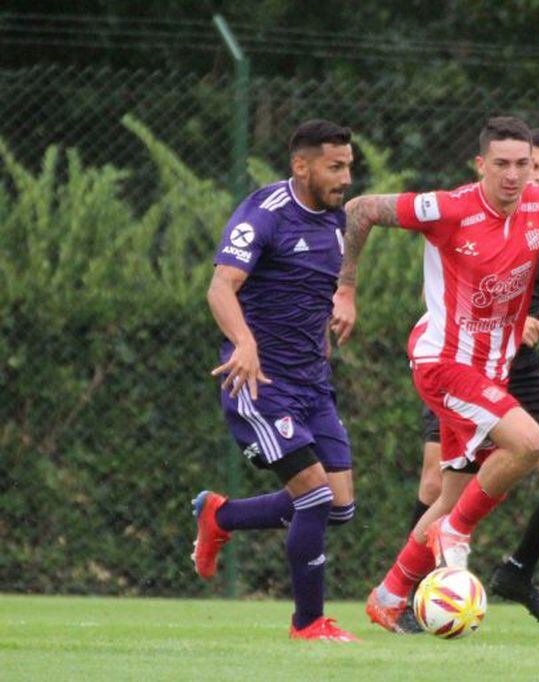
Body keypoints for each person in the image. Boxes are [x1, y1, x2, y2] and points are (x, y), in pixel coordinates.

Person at [330, 117, 539, 634]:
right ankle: (455, 535)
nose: (513, 175)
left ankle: (389, 594)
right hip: (444, 363)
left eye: (522, 165)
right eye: (501, 164)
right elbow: (359, 209)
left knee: (450, 494)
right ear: (480, 165)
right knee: (528, 442)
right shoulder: (450, 207)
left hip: (494, 372)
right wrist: (345, 290)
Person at [191, 119, 360, 643]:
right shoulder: (264, 213)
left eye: (350, 166)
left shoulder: (335, 222)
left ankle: (220, 515)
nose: (346, 177)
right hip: (261, 383)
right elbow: (221, 287)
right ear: (301, 166)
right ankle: (308, 624)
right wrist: (244, 342)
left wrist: (337, 308)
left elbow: (313, 287)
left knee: (341, 505)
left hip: (313, 385)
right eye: (335, 167)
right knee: (312, 498)